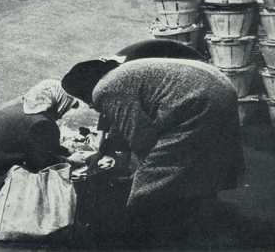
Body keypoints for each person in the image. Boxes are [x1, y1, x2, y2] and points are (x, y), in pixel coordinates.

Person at [61, 57, 245, 247]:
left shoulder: (105, 88)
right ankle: (191, 207)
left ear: (85, 89)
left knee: (155, 177)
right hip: (220, 88)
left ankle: (148, 236)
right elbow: (122, 122)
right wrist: (101, 152)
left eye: (82, 98)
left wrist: (139, 178)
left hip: (200, 101)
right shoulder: (119, 73)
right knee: (198, 157)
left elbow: (143, 141)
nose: (88, 105)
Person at [0, 80, 85, 248]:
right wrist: (72, 162)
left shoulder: (19, 104)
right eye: (66, 107)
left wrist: (63, 150)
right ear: (58, 102)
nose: (63, 114)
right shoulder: (41, 122)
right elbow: (44, 165)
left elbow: (31, 140)